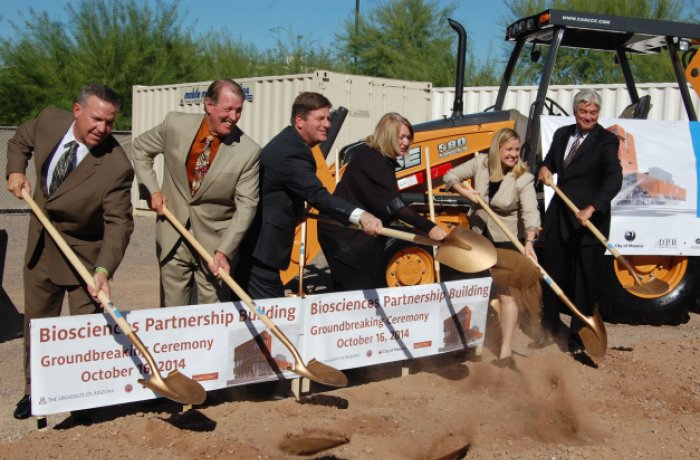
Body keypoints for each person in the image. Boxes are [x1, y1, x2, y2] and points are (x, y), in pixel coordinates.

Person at [5, 84, 134, 420]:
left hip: (84, 258)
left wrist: (104, 270)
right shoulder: (49, 120)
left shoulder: (116, 165)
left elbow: (120, 223)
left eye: (109, 122)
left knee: (86, 332)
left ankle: (82, 400)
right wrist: (16, 169)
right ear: (77, 110)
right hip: (41, 247)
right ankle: (35, 393)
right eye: (95, 119)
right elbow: (20, 139)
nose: (102, 129)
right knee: (38, 326)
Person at [239, 92, 383, 299]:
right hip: (262, 248)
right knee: (272, 316)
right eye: (320, 119)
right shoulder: (292, 152)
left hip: (258, 246)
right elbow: (316, 194)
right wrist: (360, 215)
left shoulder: (289, 143)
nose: (327, 124)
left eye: (328, 118)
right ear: (300, 121)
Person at [132, 80, 261, 307]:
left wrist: (225, 250)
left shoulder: (248, 152)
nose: (234, 116)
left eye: (239, 110)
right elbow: (141, 149)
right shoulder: (175, 125)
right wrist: (152, 190)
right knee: (172, 318)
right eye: (228, 109)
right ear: (209, 105)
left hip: (215, 246)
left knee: (211, 320)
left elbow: (247, 206)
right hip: (173, 234)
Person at [443, 128, 540, 365]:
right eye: (509, 149)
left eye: (517, 150)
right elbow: (450, 175)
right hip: (477, 236)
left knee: (506, 295)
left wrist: (529, 242)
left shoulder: (523, 177)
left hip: (506, 240)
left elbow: (530, 212)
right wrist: (464, 191)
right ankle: (461, 342)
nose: (514, 155)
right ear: (497, 149)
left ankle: (505, 351)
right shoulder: (481, 163)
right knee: (468, 287)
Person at [318, 112, 446, 291]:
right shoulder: (374, 161)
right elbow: (396, 207)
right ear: (387, 134)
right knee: (356, 294)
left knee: (353, 291)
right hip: (344, 235)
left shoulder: (377, 157)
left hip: (346, 232)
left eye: (409, 137)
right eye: (401, 137)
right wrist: (430, 227)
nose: (406, 142)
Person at [537, 89, 622, 354]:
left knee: (584, 281)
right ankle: (548, 327)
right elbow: (550, 161)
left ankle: (578, 336)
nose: (588, 117)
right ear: (575, 112)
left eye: (593, 112)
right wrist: (544, 167)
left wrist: (593, 207)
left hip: (588, 223)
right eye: (583, 111)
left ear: (598, 114)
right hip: (560, 217)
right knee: (551, 274)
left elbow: (613, 179)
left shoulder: (606, 141)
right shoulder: (563, 134)